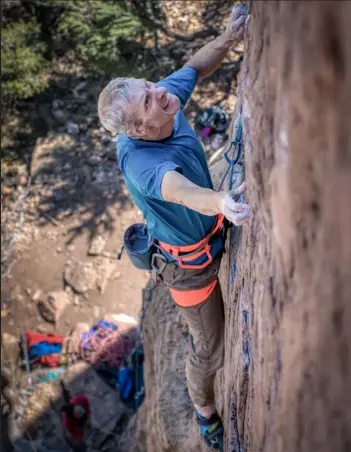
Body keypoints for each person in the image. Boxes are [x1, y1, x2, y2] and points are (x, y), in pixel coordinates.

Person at [98, 6, 249, 450]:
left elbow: (193, 68)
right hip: (190, 269)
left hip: (212, 229)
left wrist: (228, 37)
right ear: (139, 131)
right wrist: (221, 200)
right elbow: (181, 190)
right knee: (210, 348)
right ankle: (204, 409)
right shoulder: (145, 165)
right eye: (149, 100)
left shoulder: (162, 102)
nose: (160, 94)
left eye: (150, 87)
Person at [60, 381, 91, 452]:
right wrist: (84, 440)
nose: (81, 411)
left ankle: (65, 390)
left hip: (74, 407)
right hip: (75, 426)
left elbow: (86, 404)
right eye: (79, 413)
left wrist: (89, 417)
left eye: (80, 409)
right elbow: (74, 435)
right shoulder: (67, 423)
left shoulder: (80, 399)